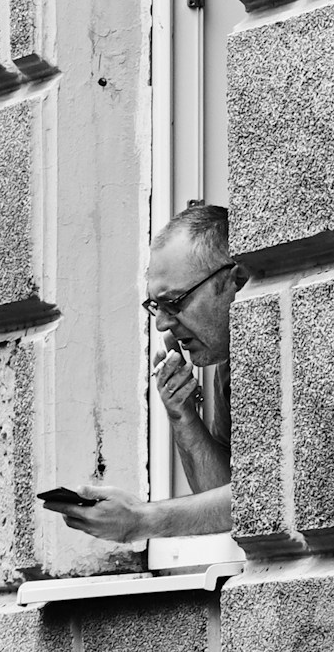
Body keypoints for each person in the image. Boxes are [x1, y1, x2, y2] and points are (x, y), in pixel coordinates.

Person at [46, 202, 240, 543]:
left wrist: (141, 520)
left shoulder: (285, 346)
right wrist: (183, 416)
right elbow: (228, 499)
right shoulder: (227, 364)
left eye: (174, 303)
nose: (162, 324)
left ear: (235, 281)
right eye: (156, 307)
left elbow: (264, 496)